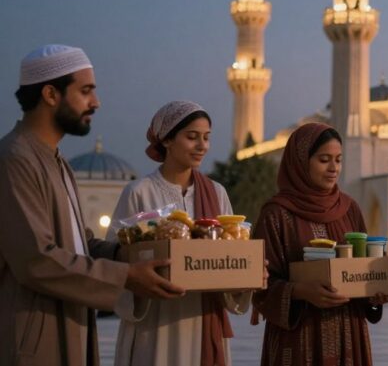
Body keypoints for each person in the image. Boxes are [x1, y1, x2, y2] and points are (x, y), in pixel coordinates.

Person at [0, 45, 182, 366]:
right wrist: (126, 275)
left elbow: (77, 243)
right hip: (33, 336)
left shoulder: (56, 161)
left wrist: (132, 253)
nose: (95, 103)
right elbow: (36, 260)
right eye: (85, 91)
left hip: (70, 326)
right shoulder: (15, 159)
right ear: (50, 94)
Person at [107, 101, 252, 365]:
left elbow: (232, 250)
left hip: (204, 318)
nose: (202, 146)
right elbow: (115, 258)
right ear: (167, 140)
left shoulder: (216, 193)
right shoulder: (139, 192)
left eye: (206, 138)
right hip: (156, 323)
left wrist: (245, 275)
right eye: (192, 137)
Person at [253, 122, 388, 365]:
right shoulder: (276, 214)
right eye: (324, 159)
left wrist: (374, 293)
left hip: (349, 334)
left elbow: (362, 267)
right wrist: (301, 291)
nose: (333, 168)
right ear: (300, 162)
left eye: (338, 160)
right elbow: (259, 283)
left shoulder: (348, 209)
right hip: (299, 338)